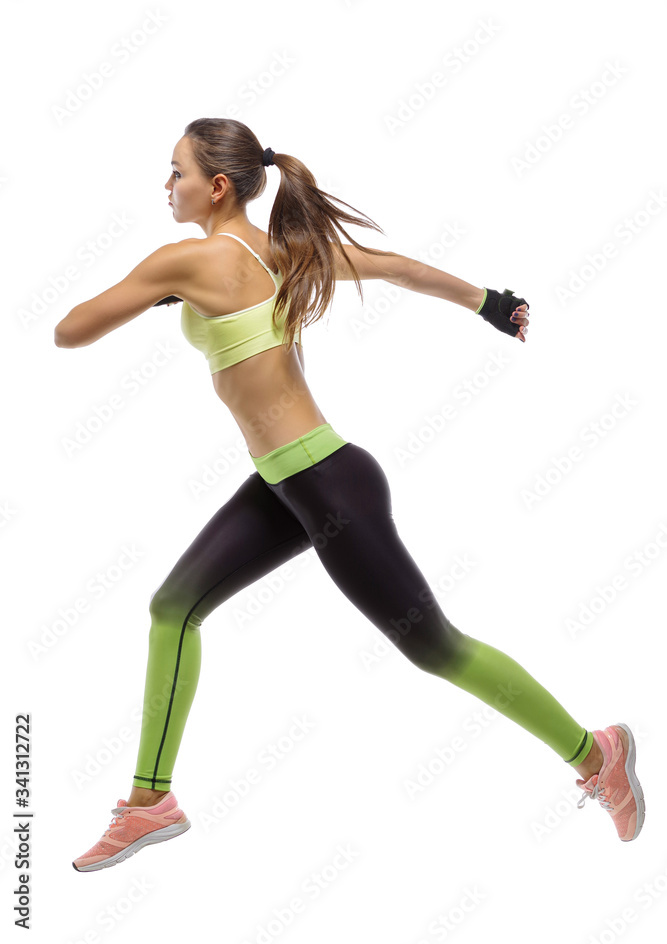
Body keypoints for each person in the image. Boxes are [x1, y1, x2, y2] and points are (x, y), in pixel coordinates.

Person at [56, 118, 644, 873]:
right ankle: (149, 803)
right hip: (285, 484)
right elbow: (394, 267)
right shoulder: (280, 250)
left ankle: (594, 752)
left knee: (436, 648)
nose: (164, 186)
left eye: (174, 172)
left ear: (218, 185)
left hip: (328, 484)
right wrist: (488, 302)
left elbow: (70, 332)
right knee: (173, 607)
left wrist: (158, 290)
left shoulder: (188, 258)